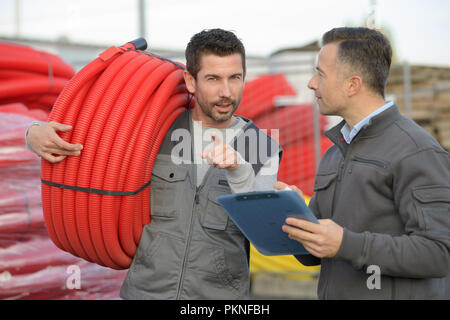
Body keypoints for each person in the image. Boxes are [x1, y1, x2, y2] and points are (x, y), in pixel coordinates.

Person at [26, 29, 281, 299]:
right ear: (190, 81)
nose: (226, 92)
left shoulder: (262, 148)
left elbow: (262, 235)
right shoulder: (152, 131)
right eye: (213, 79)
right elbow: (90, 146)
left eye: (235, 78)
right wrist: (33, 134)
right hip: (146, 292)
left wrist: (238, 171)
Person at [278, 27, 450, 299]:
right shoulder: (334, 154)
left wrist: (345, 243)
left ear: (352, 84)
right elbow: (315, 256)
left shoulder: (417, 151)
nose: (312, 83)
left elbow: (439, 254)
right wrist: (297, 217)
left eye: (320, 74)